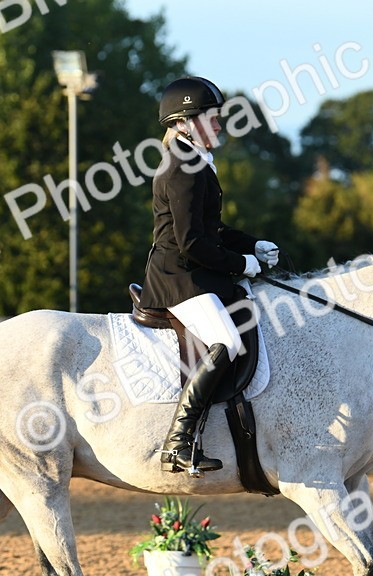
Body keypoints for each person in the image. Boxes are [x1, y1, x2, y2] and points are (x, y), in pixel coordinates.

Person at [140, 76, 280, 475]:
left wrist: (254, 245)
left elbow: (212, 231)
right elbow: (191, 243)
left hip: (194, 272)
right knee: (226, 340)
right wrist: (241, 265)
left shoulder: (194, 162)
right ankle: (178, 443)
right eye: (213, 119)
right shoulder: (182, 167)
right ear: (185, 123)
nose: (220, 126)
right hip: (178, 277)